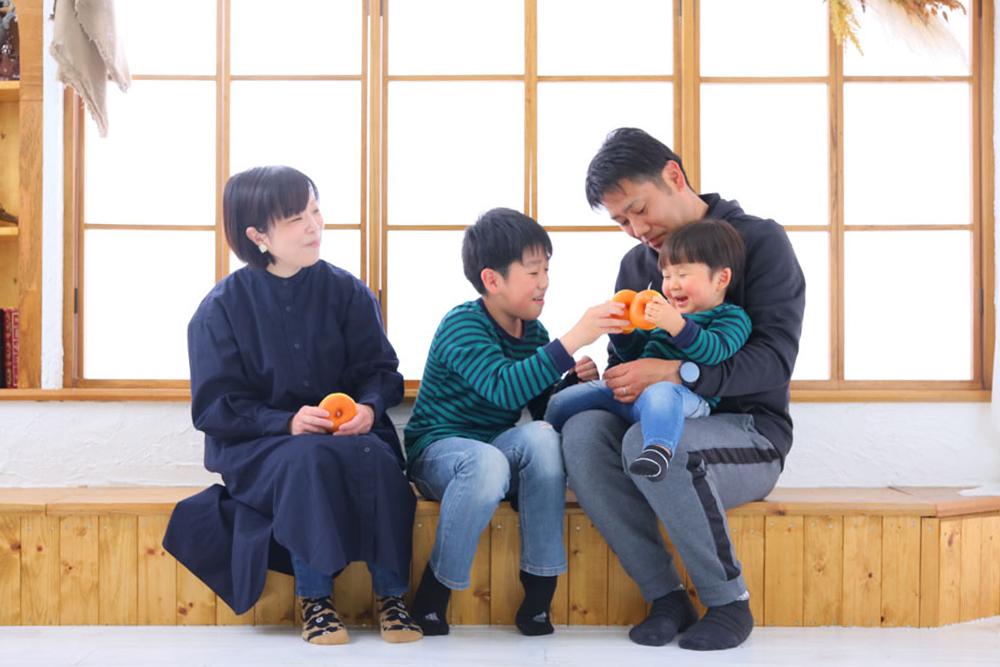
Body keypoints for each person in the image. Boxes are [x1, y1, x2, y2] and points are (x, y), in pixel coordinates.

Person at [561, 128, 805, 651]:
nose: (636, 230)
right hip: (660, 416)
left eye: (639, 210)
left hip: (750, 433)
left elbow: (774, 362)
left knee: (653, 443)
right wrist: (609, 369)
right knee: (582, 431)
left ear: (674, 175)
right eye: (621, 222)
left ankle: (728, 602)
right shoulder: (637, 266)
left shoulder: (760, 242)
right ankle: (666, 597)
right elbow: (633, 366)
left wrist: (680, 373)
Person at [163, 166, 422, 646]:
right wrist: (286, 422)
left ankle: (392, 596)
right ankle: (316, 601)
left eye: (315, 211)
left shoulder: (348, 292)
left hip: (349, 435)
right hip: (261, 445)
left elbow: (382, 372)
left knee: (378, 456)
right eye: (296, 219)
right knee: (306, 459)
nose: (314, 227)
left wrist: (368, 409)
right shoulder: (219, 309)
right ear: (257, 235)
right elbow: (214, 407)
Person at [404, 207, 628, 637]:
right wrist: (573, 339)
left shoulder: (535, 334)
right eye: (533, 271)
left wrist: (570, 382)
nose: (545, 281)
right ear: (492, 280)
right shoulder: (462, 324)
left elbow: (543, 413)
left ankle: (540, 594)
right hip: (438, 453)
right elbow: (504, 388)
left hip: (495, 454)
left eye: (547, 269)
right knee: (486, 461)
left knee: (542, 437)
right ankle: (433, 595)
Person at [545, 218, 751, 483]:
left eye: (683, 275)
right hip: (634, 396)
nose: (672, 285)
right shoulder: (666, 313)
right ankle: (549, 440)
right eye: (666, 276)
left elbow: (715, 352)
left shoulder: (731, 317)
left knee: (661, 392)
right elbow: (634, 355)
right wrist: (621, 331)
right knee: (563, 400)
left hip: (686, 400)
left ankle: (658, 450)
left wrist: (677, 326)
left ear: (721, 278)